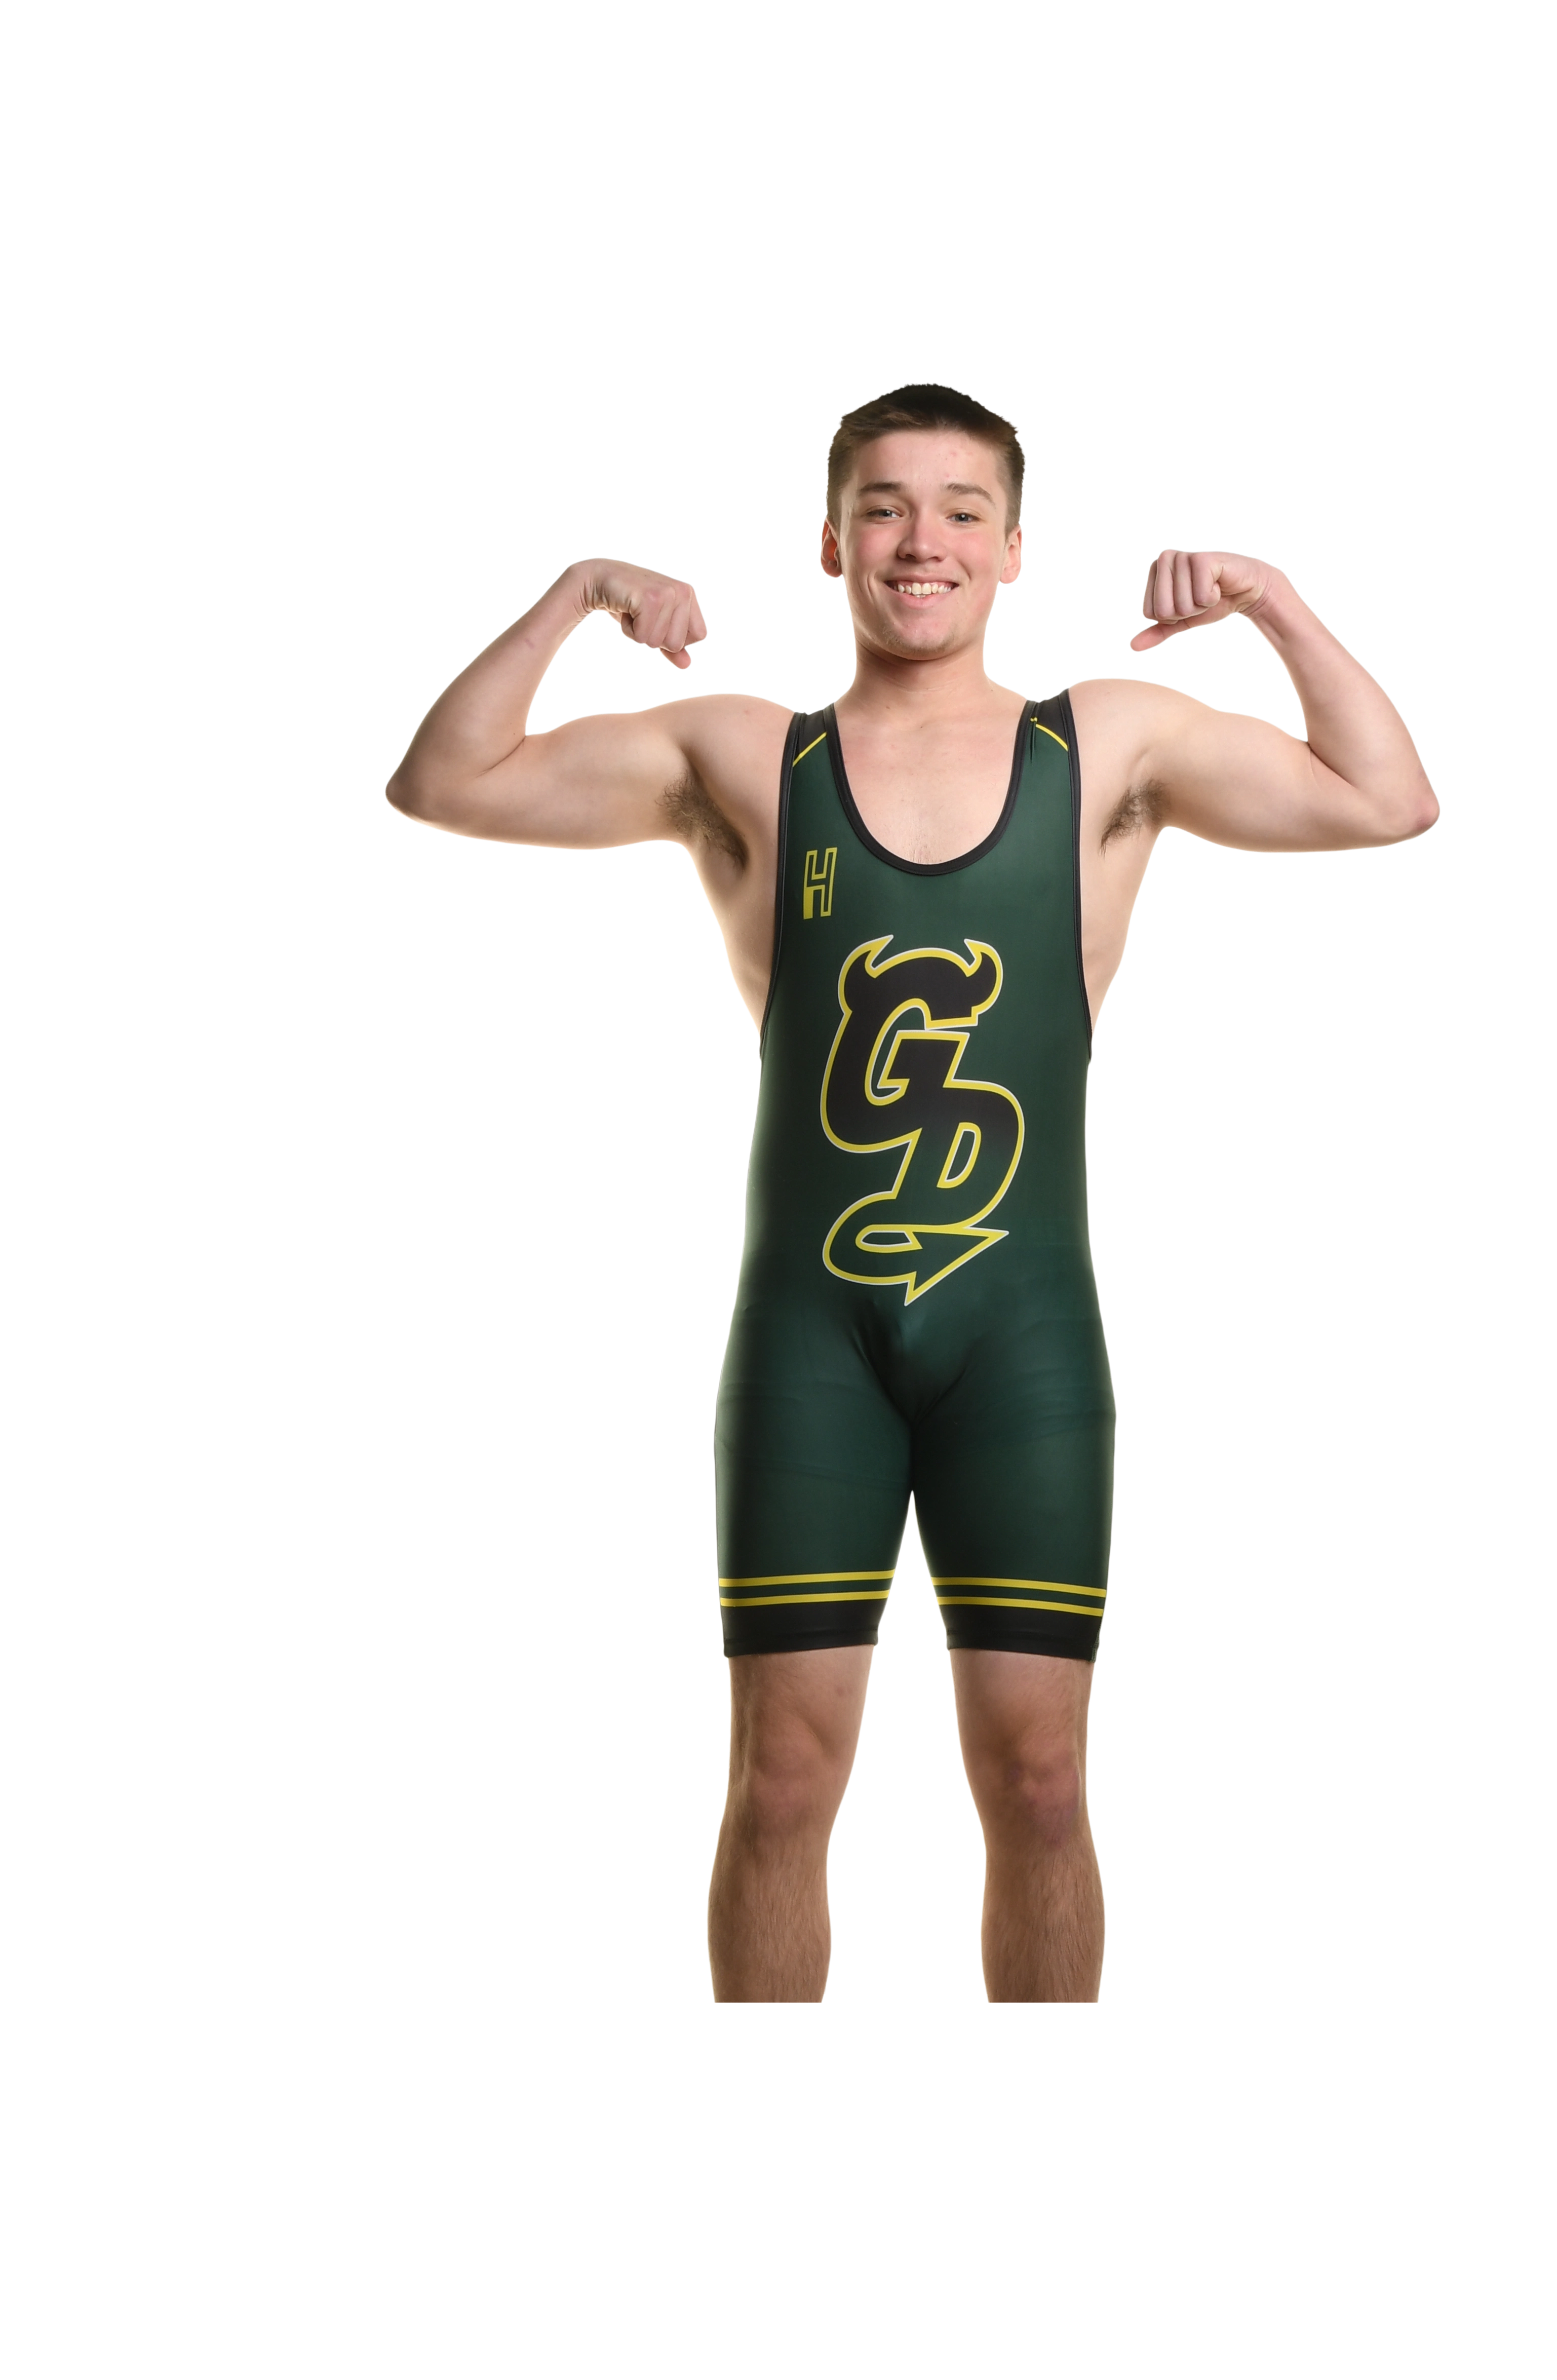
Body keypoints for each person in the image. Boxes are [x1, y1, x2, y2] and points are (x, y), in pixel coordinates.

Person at [385, 381, 1439, 2005]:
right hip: (811, 1349)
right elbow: (444, 781)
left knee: (1043, 1786)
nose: (920, 540)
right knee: (781, 1786)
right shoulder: (750, 756)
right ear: (832, 541)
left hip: (1024, 1347)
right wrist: (580, 591)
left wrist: (1276, 603)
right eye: (883, 506)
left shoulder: (1105, 746)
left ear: (1014, 548)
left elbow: (1389, 799)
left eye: (961, 509)